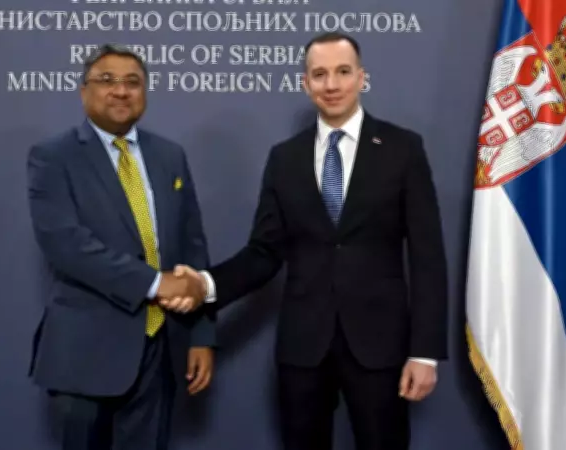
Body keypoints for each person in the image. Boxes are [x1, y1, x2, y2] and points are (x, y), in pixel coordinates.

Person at [167, 32, 449, 450]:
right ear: (305, 83)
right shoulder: (285, 158)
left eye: (342, 72)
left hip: (380, 346)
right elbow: (264, 253)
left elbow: (428, 257)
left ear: (361, 78)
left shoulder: (402, 149)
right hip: (303, 348)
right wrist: (204, 285)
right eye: (319, 74)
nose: (331, 84)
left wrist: (424, 352)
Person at [26, 43, 215, 450]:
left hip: (160, 350)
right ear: (84, 91)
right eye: (107, 80)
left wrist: (201, 334)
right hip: (85, 353)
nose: (121, 90)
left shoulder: (170, 156)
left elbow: (192, 246)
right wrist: (155, 283)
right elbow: (67, 245)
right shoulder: (52, 157)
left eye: (133, 82)